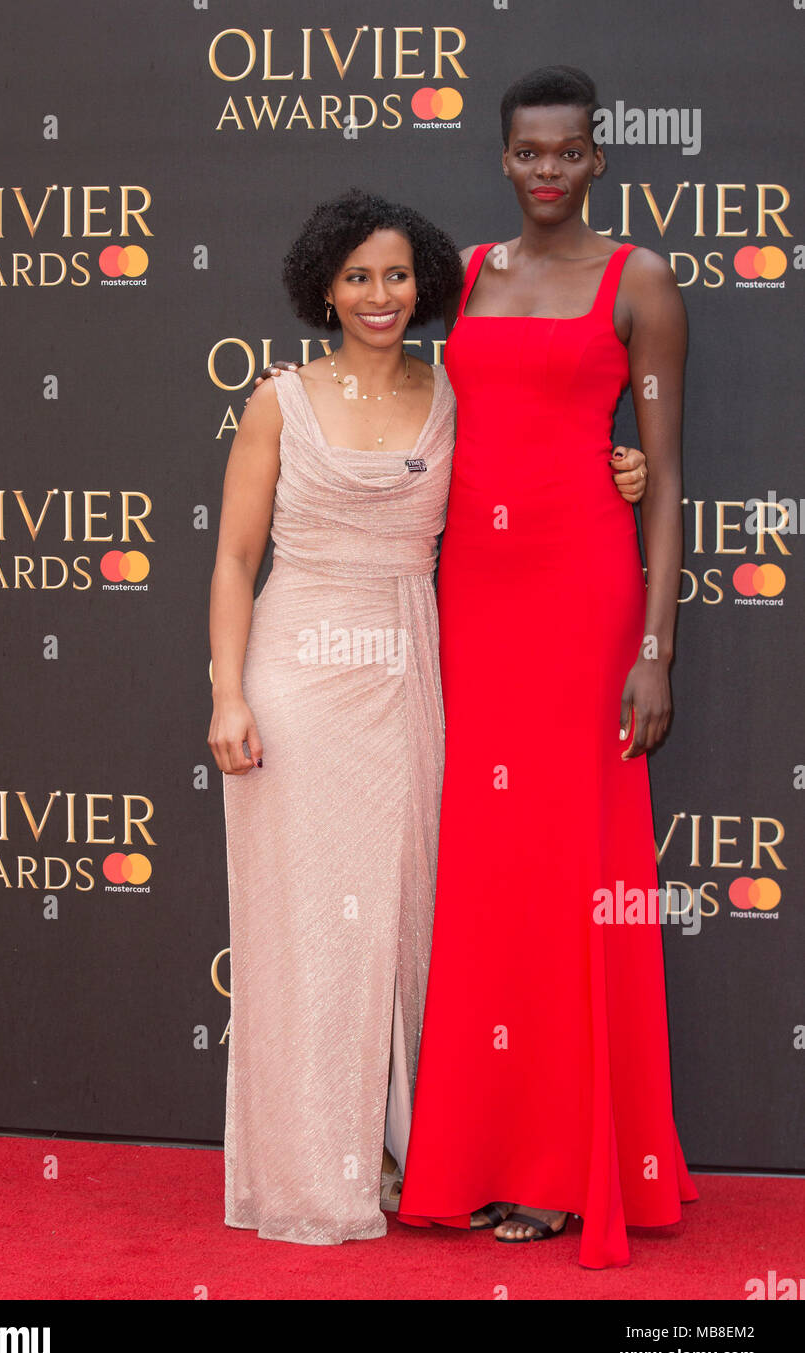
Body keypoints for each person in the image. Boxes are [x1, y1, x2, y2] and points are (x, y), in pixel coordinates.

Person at [213, 189, 647, 1245]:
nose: (378, 294)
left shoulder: (455, 386)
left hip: (415, 668)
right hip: (300, 669)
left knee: (413, 923)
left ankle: (412, 1146)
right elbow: (232, 555)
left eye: (397, 276)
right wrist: (226, 690)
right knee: (308, 927)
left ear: (427, 289)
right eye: (358, 275)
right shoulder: (279, 399)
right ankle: (315, 1168)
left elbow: (535, 453)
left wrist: (617, 467)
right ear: (324, 285)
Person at [396, 65, 698, 1268]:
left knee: (575, 868)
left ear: (599, 160)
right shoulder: (467, 275)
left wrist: (656, 647)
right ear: (504, 158)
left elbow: (666, 474)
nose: (548, 172)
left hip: (582, 600)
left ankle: (578, 1166)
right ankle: (476, 1158)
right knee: (486, 868)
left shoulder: (643, 282)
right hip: (472, 595)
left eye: (569, 153)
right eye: (529, 153)